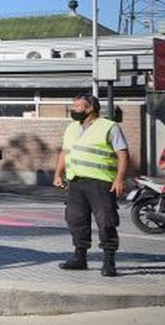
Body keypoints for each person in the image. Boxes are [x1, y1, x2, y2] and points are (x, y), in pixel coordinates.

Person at [54, 92, 131, 277]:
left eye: (77, 107)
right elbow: (65, 153)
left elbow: (123, 154)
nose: (73, 110)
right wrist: (58, 174)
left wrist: (119, 179)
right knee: (75, 220)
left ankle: (109, 261)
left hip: (101, 183)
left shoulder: (109, 127)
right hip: (75, 182)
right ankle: (80, 258)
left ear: (89, 108)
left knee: (106, 221)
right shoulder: (72, 128)